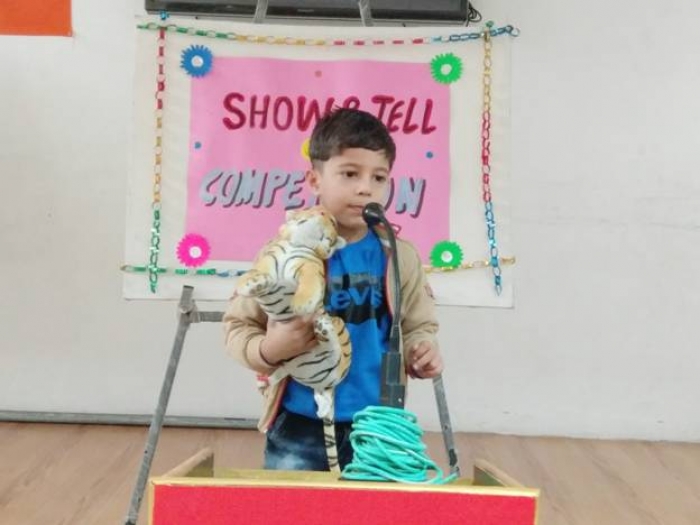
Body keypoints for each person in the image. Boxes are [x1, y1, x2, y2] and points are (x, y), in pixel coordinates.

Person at [223, 108, 442, 471]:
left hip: (378, 424)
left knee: (373, 503)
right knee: (292, 503)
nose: (365, 188)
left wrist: (422, 350)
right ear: (314, 180)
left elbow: (419, 324)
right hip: (299, 422)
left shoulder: (398, 256)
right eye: (350, 173)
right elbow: (237, 326)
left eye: (379, 177)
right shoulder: (284, 255)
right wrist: (269, 349)